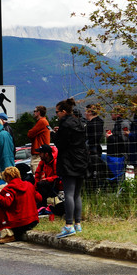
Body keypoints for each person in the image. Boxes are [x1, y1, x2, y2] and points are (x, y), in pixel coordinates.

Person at [51, 98, 89, 238]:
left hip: (69, 161)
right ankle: (78, 223)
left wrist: (55, 135)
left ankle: (68, 225)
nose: (56, 115)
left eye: (57, 112)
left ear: (64, 111)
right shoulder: (78, 122)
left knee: (68, 193)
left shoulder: (65, 124)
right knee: (77, 194)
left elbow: (61, 144)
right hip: (81, 159)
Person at [0, 166, 41, 244]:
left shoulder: (8, 188)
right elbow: (39, 198)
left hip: (18, 223)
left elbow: (6, 203)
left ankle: (7, 234)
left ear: (8, 177)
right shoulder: (29, 185)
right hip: (33, 221)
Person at [28, 105, 51, 173]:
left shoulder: (42, 122)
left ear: (39, 112)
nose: (34, 113)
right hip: (40, 153)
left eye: (35, 111)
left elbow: (30, 134)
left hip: (38, 154)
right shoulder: (44, 121)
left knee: (37, 173)